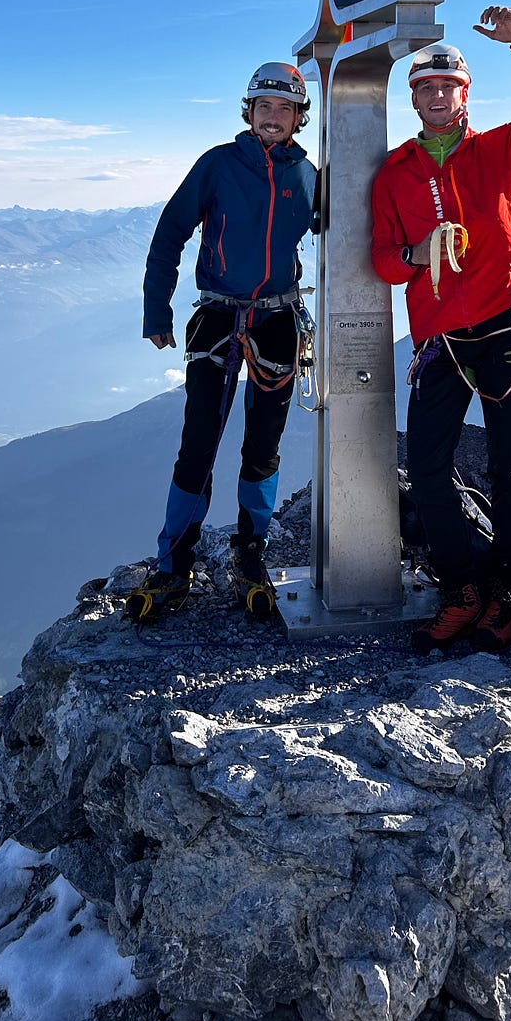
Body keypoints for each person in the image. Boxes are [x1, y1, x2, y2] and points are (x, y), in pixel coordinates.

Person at [371, 6, 511, 654]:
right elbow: (382, 257)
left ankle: (505, 592)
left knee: (507, 466)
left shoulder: (501, 152)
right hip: (441, 341)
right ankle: (461, 588)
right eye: (426, 88)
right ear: (414, 99)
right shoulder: (396, 173)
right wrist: (416, 255)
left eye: (448, 87)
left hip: (504, 327)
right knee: (428, 468)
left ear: (465, 95)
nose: (437, 96)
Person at [130, 62, 319, 621]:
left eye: (284, 109)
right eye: (265, 107)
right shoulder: (218, 165)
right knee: (198, 444)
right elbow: (170, 233)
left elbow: (339, 233)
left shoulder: (306, 175)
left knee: (262, 446)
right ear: (249, 111)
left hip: (278, 321)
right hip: (218, 318)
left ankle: (250, 555)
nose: (273, 117)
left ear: (297, 118)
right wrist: (155, 310)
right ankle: (173, 564)